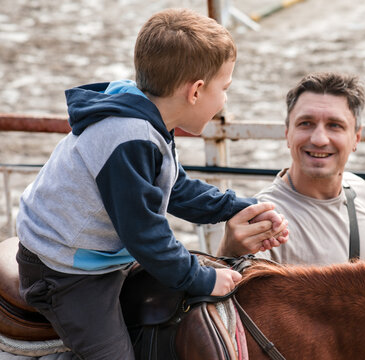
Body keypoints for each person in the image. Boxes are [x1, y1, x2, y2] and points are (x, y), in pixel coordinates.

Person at [15, 8, 286, 360]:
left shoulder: (146, 114)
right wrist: (200, 279)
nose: (225, 101)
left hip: (100, 254)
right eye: (225, 88)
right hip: (64, 272)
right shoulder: (129, 137)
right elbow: (145, 234)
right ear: (196, 91)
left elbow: (174, 188)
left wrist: (239, 207)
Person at [218, 72, 365, 264]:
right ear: (288, 133)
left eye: (335, 125)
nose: (319, 139)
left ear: (357, 137)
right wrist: (229, 252)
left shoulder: (359, 191)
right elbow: (231, 291)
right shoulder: (266, 221)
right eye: (306, 123)